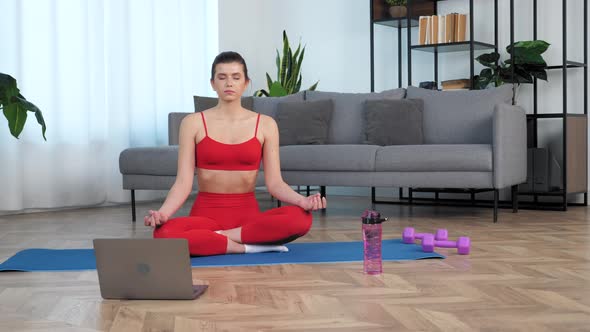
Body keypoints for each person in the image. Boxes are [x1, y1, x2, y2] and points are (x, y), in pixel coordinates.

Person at [144, 51, 327, 256]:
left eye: (236, 77)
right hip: (205, 216)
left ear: (246, 82)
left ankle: (216, 238)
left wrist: (302, 201)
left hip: (248, 218)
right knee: (164, 233)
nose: (229, 83)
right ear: (213, 83)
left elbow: (275, 183)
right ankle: (246, 247)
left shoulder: (265, 124)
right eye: (222, 77)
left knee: (301, 218)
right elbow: (183, 182)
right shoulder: (192, 123)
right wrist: (163, 213)